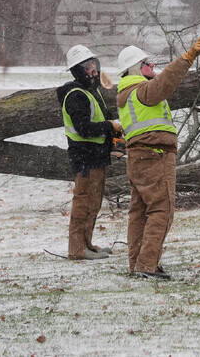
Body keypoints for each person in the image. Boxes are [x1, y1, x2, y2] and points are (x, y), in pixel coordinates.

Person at [115, 35, 200, 280]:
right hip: (155, 155)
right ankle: (147, 265)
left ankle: (136, 263)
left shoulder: (126, 95)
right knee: (161, 210)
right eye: (148, 64)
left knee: (139, 211)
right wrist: (187, 58)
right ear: (137, 69)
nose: (152, 68)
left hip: (137, 158)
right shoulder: (142, 90)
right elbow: (166, 82)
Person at [57, 44, 122, 261]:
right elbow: (84, 128)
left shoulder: (90, 91)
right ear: (77, 70)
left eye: (93, 65)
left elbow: (100, 118)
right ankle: (76, 249)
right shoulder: (76, 95)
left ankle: (87, 244)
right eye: (87, 67)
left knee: (94, 202)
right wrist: (110, 127)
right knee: (83, 202)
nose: (93, 71)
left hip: (96, 156)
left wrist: (113, 136)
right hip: (84, 158)